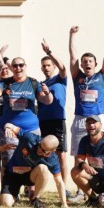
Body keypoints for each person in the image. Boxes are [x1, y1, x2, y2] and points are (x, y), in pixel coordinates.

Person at [68, 24, 104, 161]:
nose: (87, 63)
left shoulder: (103, 76)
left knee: (99, 156)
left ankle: (100, 181)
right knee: (79, 158)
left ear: (95, 64)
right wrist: (72, 35)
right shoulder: (78, 76)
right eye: (84, 62)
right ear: (82, 65)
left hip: (98, 118)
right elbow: (73, 57)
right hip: (80, 119)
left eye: (90, 61)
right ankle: (80, 182)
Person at [0, 124, 68, 208]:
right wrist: (7, 128)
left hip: (29, 176)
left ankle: (35, 198)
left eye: (44, 151)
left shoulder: (53, 159)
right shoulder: (30, 138)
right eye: (40, 146)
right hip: (12, 174)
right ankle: (14, 195)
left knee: (43, 168)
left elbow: (59, 182)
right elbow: (9, 124)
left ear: (53, 150)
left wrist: (64, 204)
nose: (39, 150)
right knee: (6, 204)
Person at [37, 39, 71, 196]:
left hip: (57, 120)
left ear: (54, 66)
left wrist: (49, 52)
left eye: (48, 65)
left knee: (61, 154)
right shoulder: (41, 84)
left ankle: (64, 188)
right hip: (43, 121)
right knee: (42, 153)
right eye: (43, 66)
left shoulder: (60, 79)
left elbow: (64, 67)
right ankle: (39, 185)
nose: (46, 68)